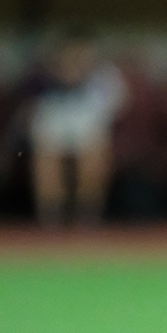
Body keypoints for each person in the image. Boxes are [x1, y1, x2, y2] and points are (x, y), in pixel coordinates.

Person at [22, 30, 126, 226]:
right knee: (45, 156)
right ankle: (51, 219)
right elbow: (30, 111)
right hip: (52, 129)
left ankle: (87, 218)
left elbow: (116, 109)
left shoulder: (104, 76)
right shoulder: (42, 76)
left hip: (89, 130)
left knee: (93, 156)